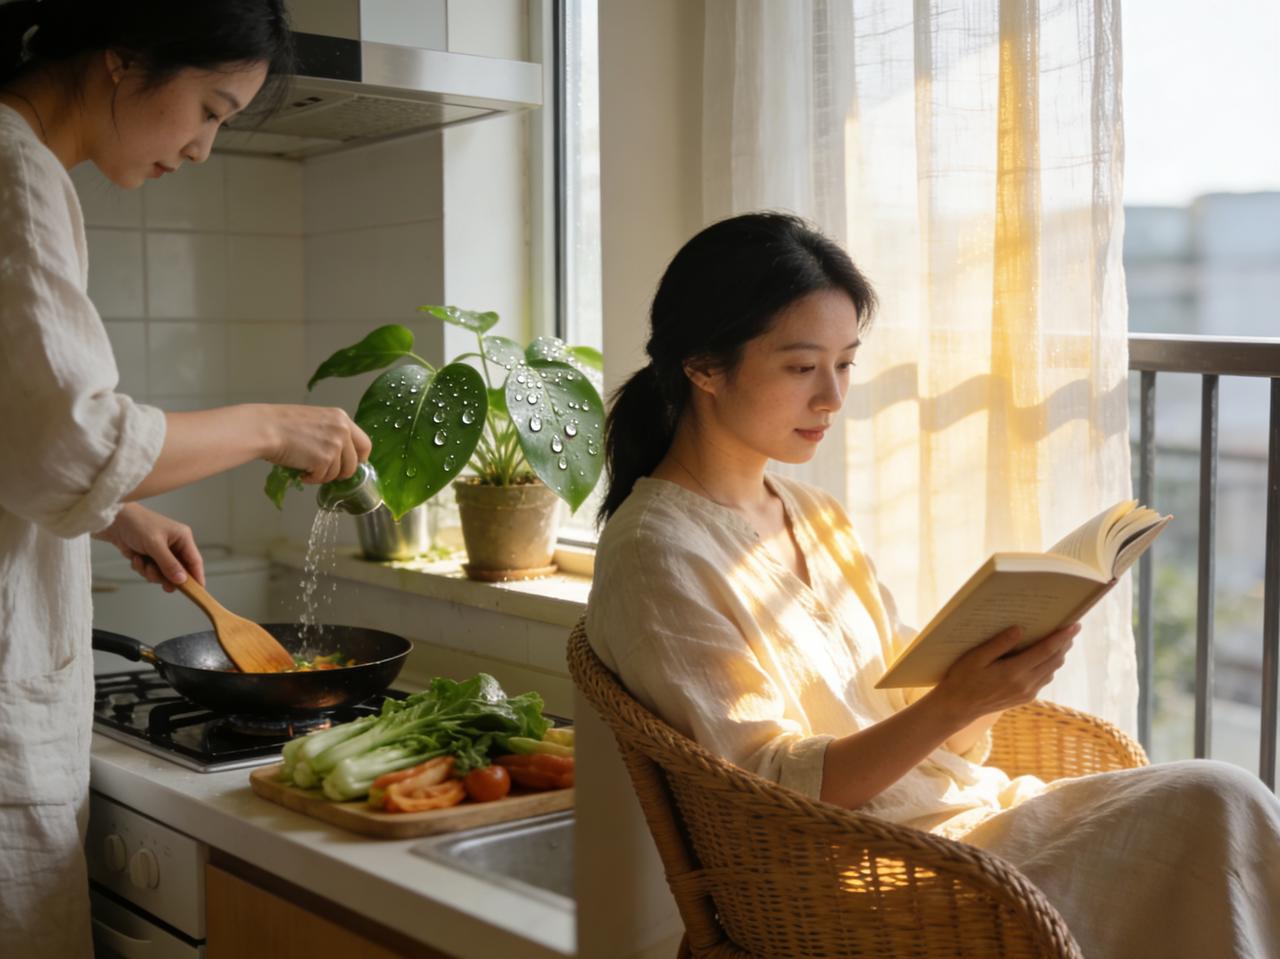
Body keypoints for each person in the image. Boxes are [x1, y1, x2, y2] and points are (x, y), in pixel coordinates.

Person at [586, 211, 1280, 958]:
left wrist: (989, 684)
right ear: (703, 367)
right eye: (801, 367)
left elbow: (901, 697)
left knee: (1218, 803)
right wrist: (956, 702)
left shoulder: (813, 514)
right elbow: (768, 790)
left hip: (961, 820)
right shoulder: (654, 552)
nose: (832, 397)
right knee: (1215, 798)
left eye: (845, 363)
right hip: (870, 880)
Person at [0, 3, 372, 955]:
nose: (204, 147)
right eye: (210, 108)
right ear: (124, 59)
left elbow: (23, 432)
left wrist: (116, 512)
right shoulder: (14, 172)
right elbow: (74, 437)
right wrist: (271, 426)